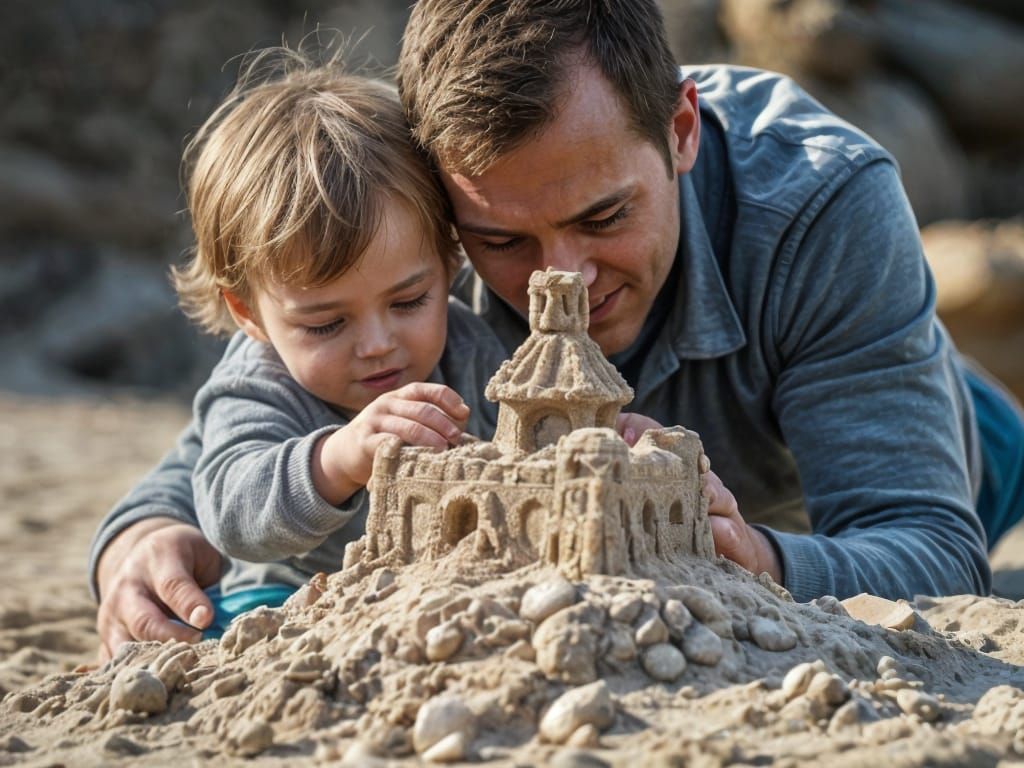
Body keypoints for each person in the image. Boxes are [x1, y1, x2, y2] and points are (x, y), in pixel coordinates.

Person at [91, 0, 1024, 657]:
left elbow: (930, 545)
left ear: (681, 129)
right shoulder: (415, 214)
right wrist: (147, 529)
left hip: (900, 435)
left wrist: (759, 556)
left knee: (985, 448)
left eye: (605, 217)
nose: (558, 280)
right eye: (500, 239)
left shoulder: (820, 204)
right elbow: (267, 398)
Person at [92, 47, 515, 650]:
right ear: (249, 314)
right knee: (221, 624)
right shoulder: (257, 383)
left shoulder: (473, 347)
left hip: (436, 588)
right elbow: (231, 511)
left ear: (449, 263)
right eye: (325, 324)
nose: (376, 344)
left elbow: (530, 449)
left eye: (408, 302)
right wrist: (335, 460)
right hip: (286, 593)